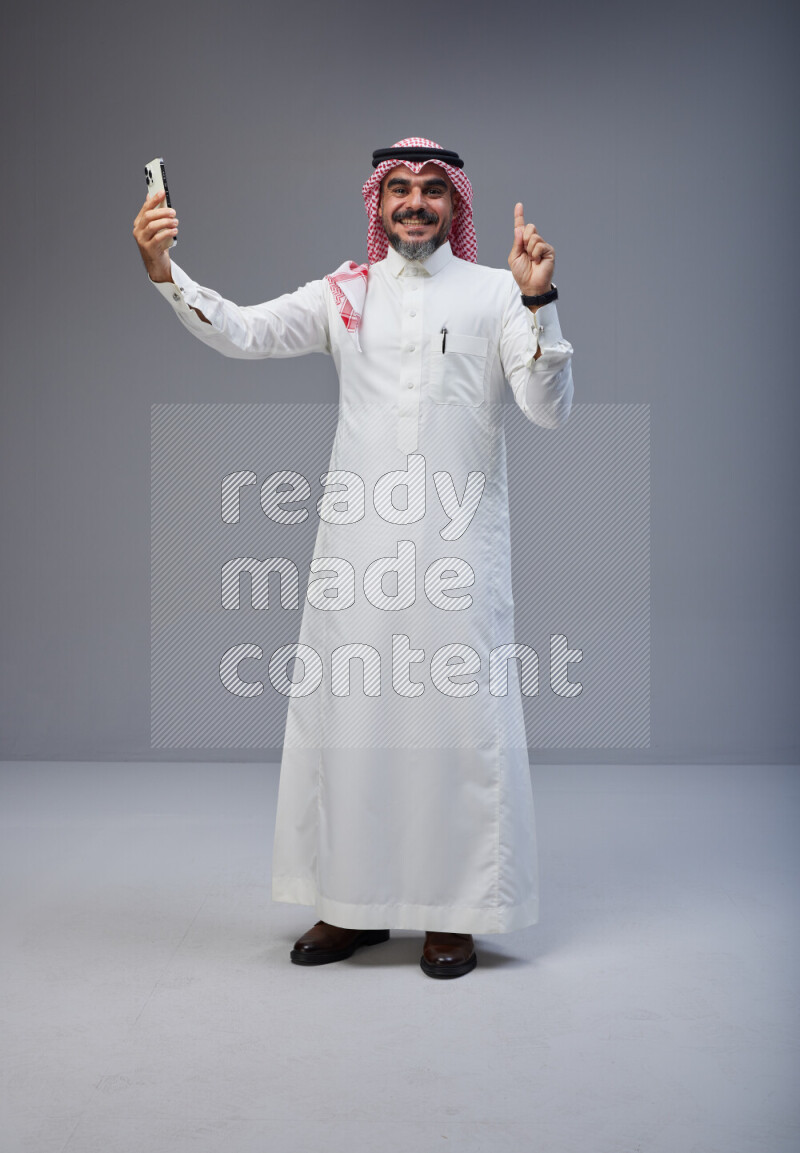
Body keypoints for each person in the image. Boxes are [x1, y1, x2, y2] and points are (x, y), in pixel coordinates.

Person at [133, 137, 574, 980]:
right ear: (377, 206)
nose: (414, 202)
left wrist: (541, 299)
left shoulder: (496, 293)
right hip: (357, 551)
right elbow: (243, 332)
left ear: (455, 206)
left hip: (456, 553)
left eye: (431, 190)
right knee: (352, 724)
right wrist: (164, 270)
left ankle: (456, 913)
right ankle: (350, 904)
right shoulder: (346, 294)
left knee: (454, 727)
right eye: (398, 189)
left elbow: (548, 408)